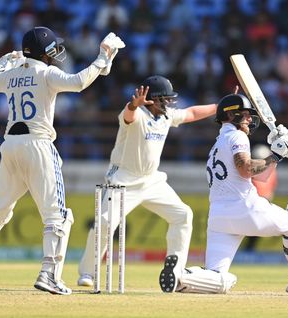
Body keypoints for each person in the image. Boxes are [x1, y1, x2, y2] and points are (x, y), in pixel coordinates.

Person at [0, 26, 125, 295]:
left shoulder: (11, 74)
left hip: (10, 146)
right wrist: (101, 58)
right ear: (47, 52)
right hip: (38, 145)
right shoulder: (46, 72)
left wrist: (3, 62)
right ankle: (49, 275)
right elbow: (77, 83)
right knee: (59, 216)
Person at [159, 93, 288, 295]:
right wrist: (277, 155)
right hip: (245, 207)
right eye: (244, 114)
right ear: (230, 115)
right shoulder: (237, 136)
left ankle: (181, 277)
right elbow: (245, 169)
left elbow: (260, 176)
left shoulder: (216, 145)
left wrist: (275, 155)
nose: (249, 118)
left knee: (217, 276)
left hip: (219, 217)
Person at [77, 75, 218, 287]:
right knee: (105, 222)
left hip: (152, 180)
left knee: (183, 214)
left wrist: (219, 106)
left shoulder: (166, 116)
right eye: (165, 99)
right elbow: (128, 115)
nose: (169, 104)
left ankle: (177, 269)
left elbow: (191, 113)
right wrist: (134, 104)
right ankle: (87, 273)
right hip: (123, 179)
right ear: (151, 99)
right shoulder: (136, 115)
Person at [244, 144, 278, 251]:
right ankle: (249, 249)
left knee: (255, 229)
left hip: (260, 201)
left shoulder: (271, 171)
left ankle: (249, 249)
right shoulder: (267, 170)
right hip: (254, 201)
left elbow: (271, 187)